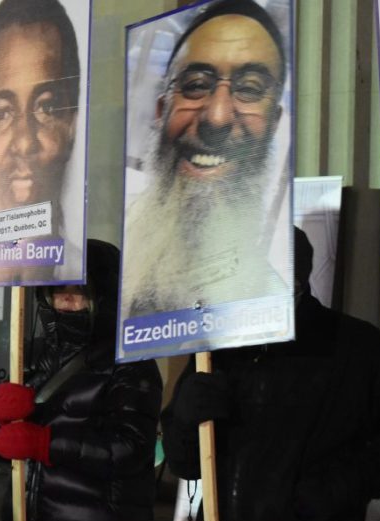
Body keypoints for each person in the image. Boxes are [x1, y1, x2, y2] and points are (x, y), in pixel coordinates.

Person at [161, 228, 380, 521]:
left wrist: (339, 485)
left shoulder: (354, 348)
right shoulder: (219, 348)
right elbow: (184, 463)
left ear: (295, 278)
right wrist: (186, 416)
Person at [0, 240, 163, 521]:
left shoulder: (131, 363)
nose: (67, 298)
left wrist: (46, 443)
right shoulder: (31, 357)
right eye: (59, 289)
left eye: (80, 290)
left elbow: (130, 448)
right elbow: (3, 450)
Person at [121, 0, 290, 317]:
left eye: (250, 89)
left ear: (273, 124)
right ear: (161, 111)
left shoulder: (268, 307)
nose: (217, 117)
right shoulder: (117, 256)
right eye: (196, 86)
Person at [0, 0, 83, 283]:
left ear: (72, 126)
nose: (25, 142)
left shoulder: (83, 275)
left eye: (47, 108)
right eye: (2, 113)